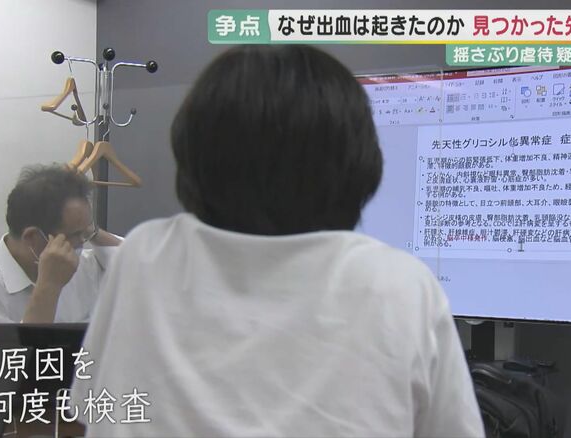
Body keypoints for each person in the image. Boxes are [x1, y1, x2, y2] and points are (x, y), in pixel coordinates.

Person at [72, 45, 483, 437]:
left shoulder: (144, 256)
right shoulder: (401, 285)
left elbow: (90, 407)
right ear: (357, 163)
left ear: (193, 155)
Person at [0, 164, 121, 342]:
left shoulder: (86, 265)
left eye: (86, 232)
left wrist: (92, 231)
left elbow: (138, 265)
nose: (83, 241)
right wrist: (48, 286)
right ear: (32, 237)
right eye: (75, 234)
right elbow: (10, 358)